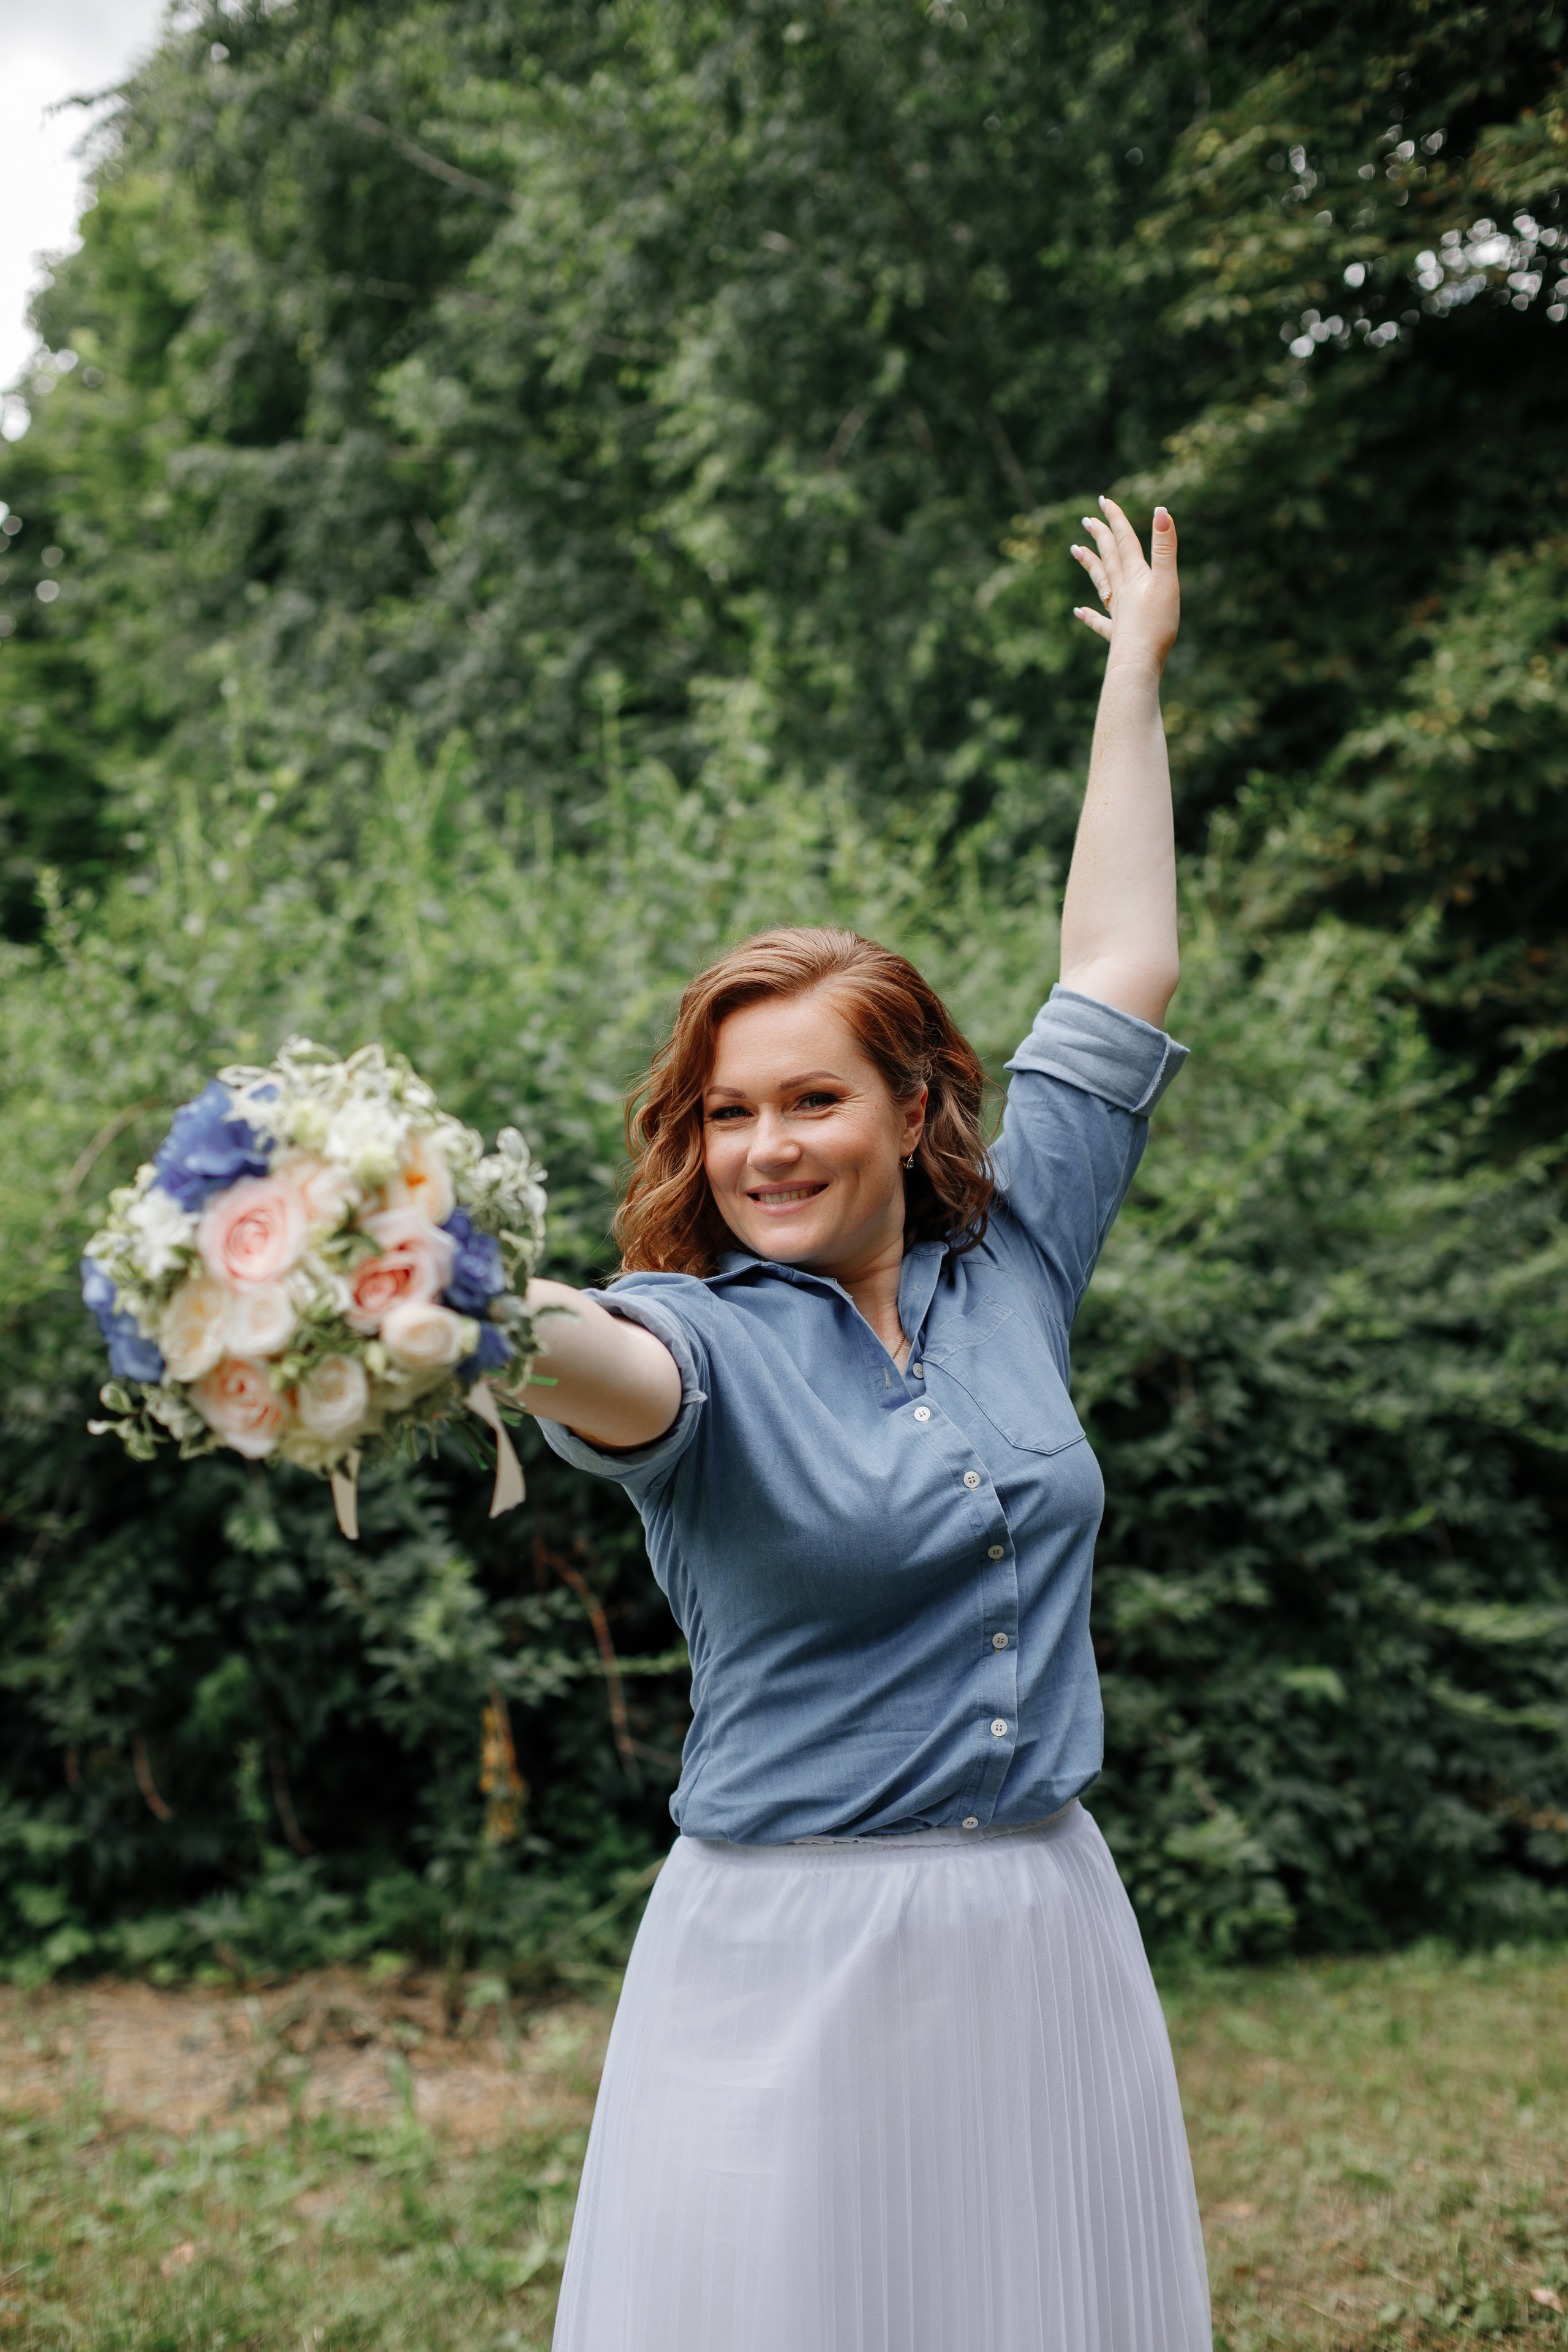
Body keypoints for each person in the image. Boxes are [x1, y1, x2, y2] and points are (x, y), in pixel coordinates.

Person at [522, 500, 1210, 2352]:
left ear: (914, 1111)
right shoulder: (693, 1339)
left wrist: (1133, 684)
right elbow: (593, 1362)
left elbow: (1121, 965)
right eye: (728, 1113)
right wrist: (447, 1300)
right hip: (788, 1962)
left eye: (812, 1099)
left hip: (1040, 1927)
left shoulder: (1016, 1262)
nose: (766, 1148)